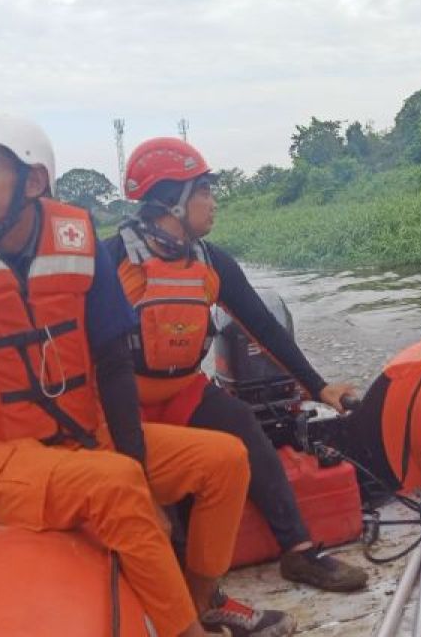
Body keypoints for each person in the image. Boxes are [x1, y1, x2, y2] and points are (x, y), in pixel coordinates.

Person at [0, 110, 296, 637]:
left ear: (33, 181)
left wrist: (135, 460)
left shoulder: (77, 241)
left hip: (81, 437)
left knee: (223, 458)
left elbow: (110, 361)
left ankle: (198, 602)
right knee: (116, 484)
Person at [105, 137, 369, 593]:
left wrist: (316, 385)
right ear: (174, 200)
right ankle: (182, 576)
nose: (214, 203)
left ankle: (299, 551)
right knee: (148, 487)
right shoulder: (111, 261)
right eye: (205, 191)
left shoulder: (210, 260)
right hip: (123, 399)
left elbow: (264, 328)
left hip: (183, 389)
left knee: (241, 423)